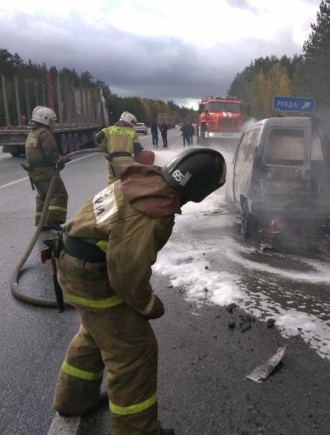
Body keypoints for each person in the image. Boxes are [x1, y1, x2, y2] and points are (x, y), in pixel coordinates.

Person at [52, 148, 226, 435]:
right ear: (200, 189)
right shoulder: (153, 210)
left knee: (97, 332)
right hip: (91, 274)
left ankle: (74, 399)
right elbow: (126, 273)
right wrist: (148, 305)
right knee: (135, 351)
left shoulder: (143, 183)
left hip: (72, 262)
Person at [24, 106, 68, 230]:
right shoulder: (45, 133)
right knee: (58, 194)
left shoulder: (32, 133)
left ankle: (41, 222)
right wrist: (59, 161)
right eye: (52, 121)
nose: (53, 124)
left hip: (34, 172)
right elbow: (51, 151)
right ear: (46, 120)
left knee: (42, 196)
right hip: (46, 171)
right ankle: (53, 221)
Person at [96, 111, 143, 184]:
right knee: (128, 182)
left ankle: (109, 195)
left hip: (112, 160)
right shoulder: (132, 132)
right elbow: (137, 149)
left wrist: (104, 147)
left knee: (112, 182)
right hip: (127, 162)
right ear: (131, 122)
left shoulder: (109, 129)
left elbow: (98, 137)